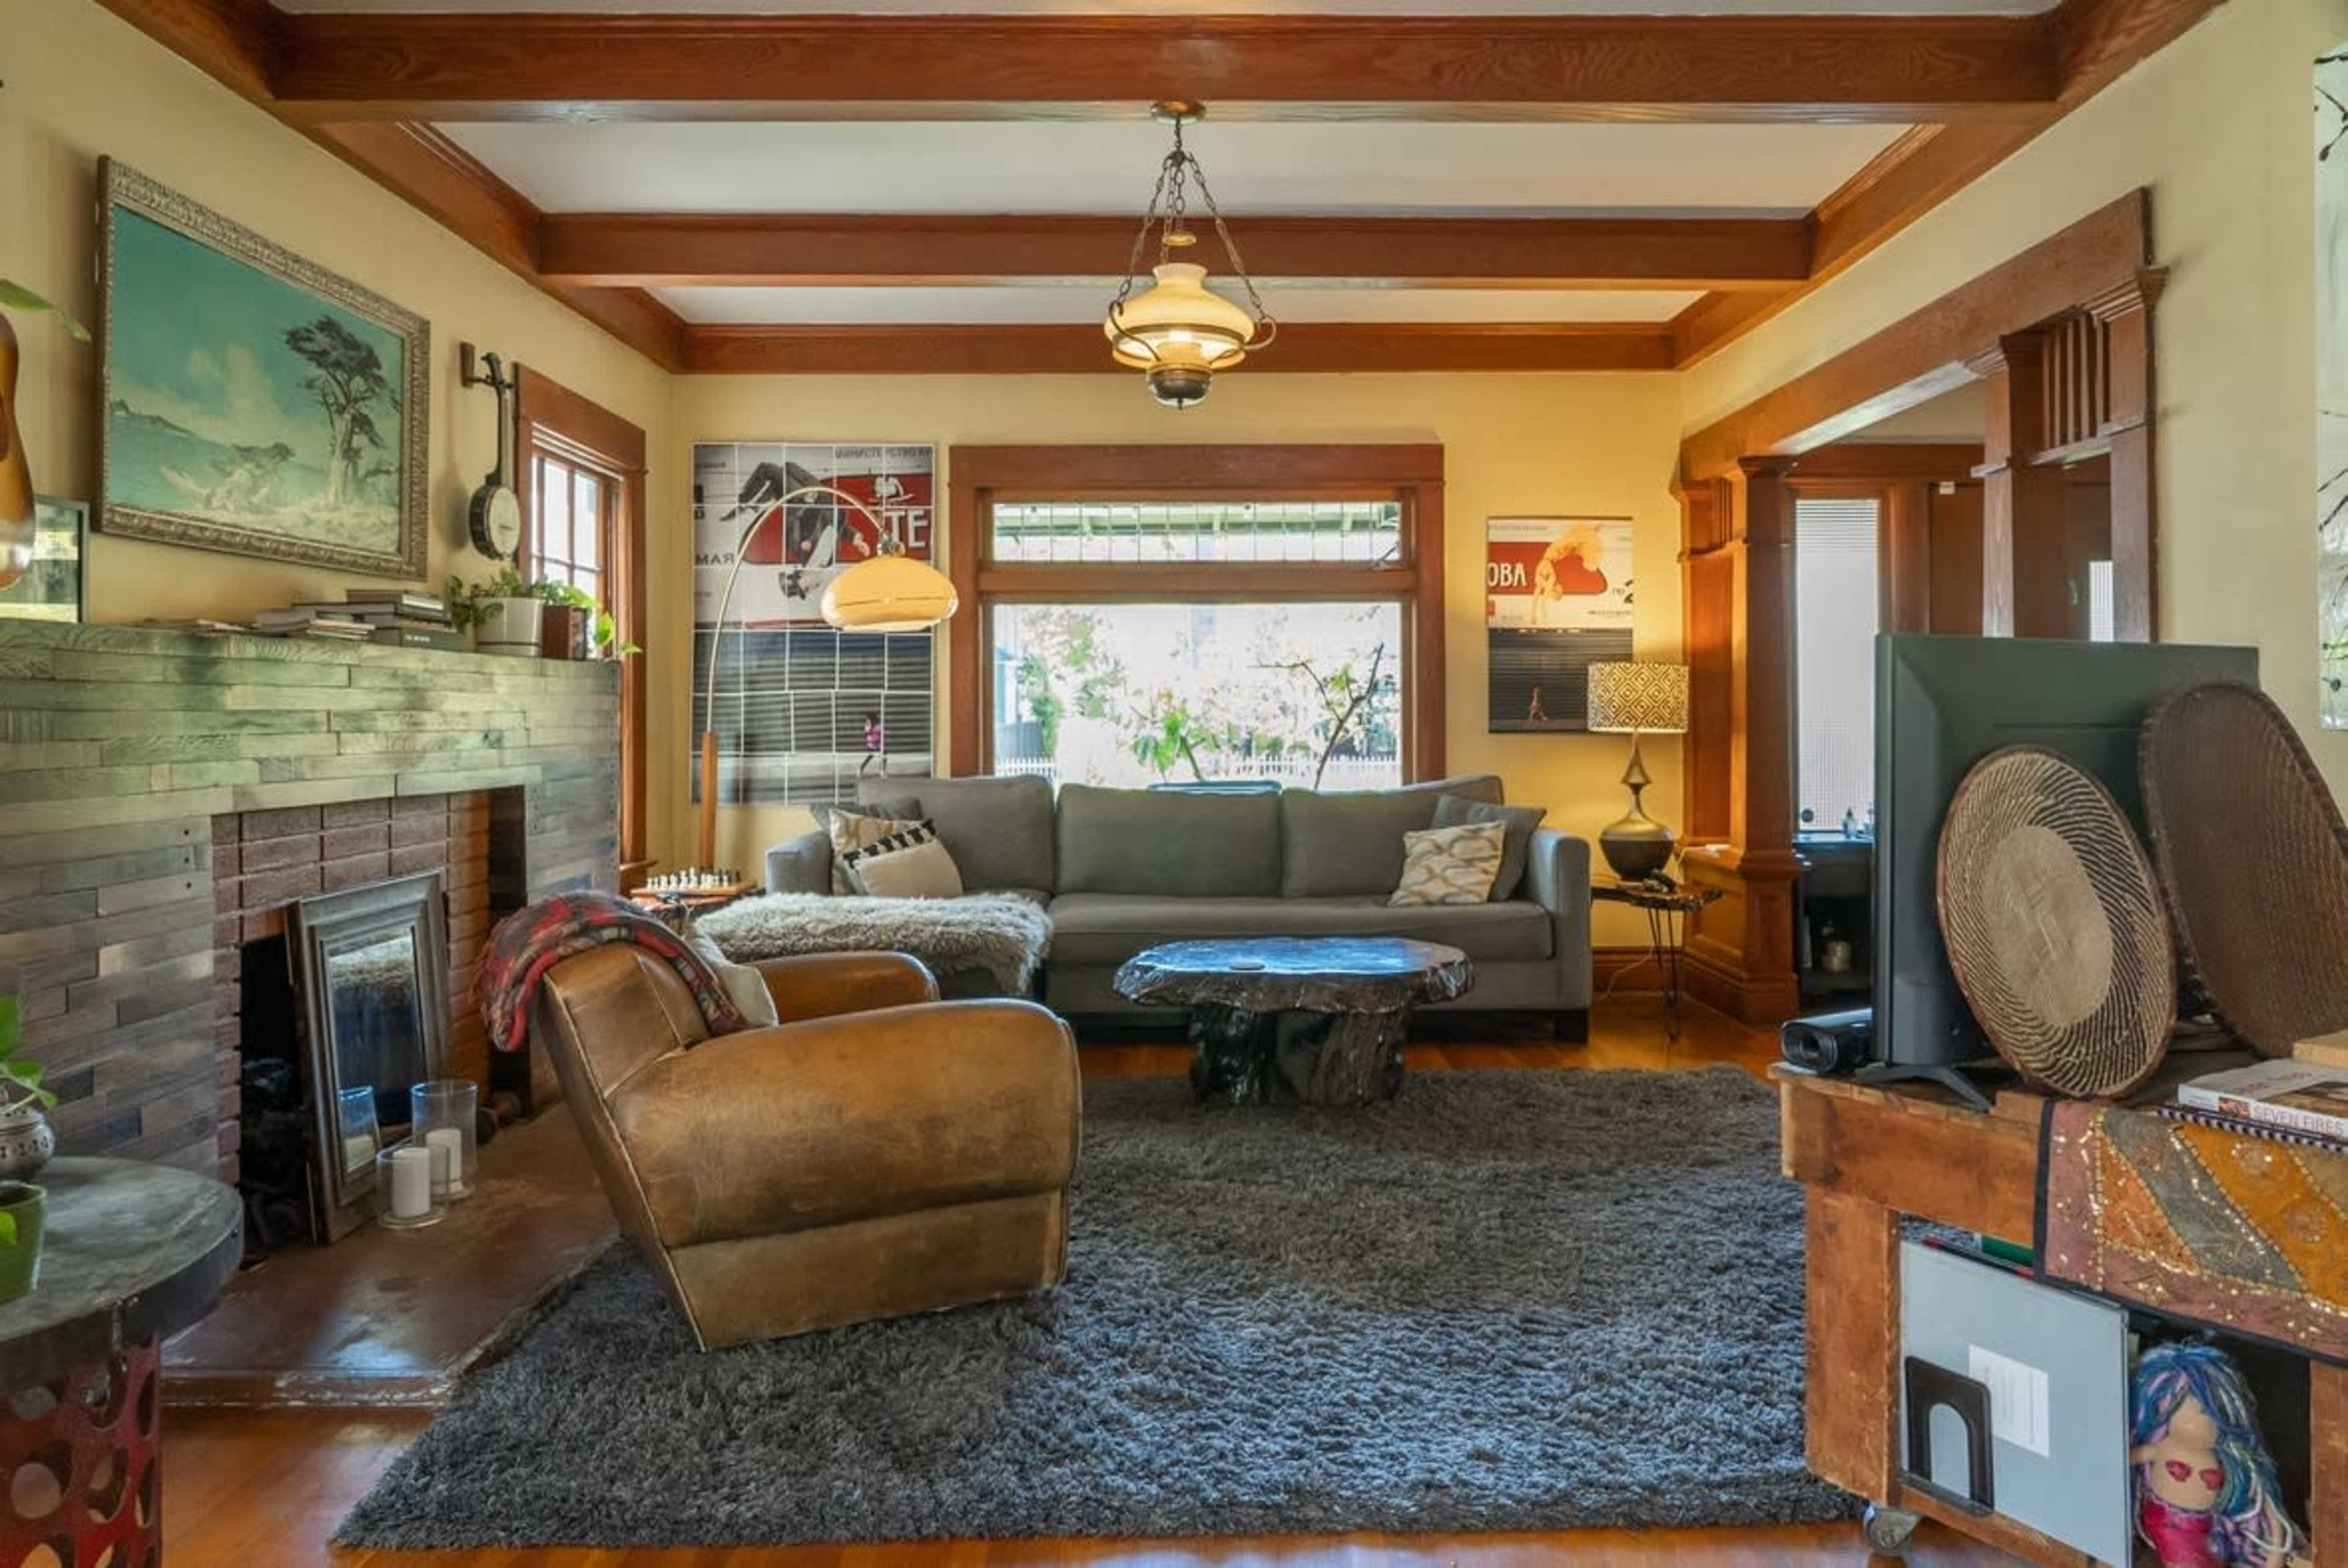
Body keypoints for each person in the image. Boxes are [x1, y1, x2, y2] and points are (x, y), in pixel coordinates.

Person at [860, 710, 885, 776]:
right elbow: (866, 732)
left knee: (884, 754)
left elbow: (880, 731)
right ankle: (861, 769)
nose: (867, 718)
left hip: (878, 743)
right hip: (872, 743)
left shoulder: (878, 723)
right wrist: (871, 728)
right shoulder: (868, 723)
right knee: (871, 756)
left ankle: (882, 770)